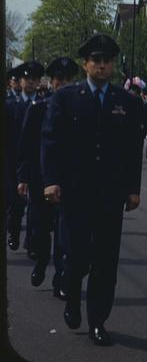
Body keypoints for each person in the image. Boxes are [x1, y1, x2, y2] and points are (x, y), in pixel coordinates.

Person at [41, 33, 142, 346]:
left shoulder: (126, 101)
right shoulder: (66, 97)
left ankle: (98, 321)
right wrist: (50, 180)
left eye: (107, 61)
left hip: (110, 194)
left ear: (113, 66)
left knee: (105, 261)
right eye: (96, 61)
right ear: (85, 64)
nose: (101, 66)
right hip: (74, 192)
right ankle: (72, 295)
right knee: (77, 257)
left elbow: (131, 149)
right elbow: (51, 141)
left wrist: (133, 189)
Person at [17, 57, 78, 298]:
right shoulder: (38, 108)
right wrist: (22, 177)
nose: (62, 84)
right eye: (58, 79)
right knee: (41, 232)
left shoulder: (79, 109)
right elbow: (25, 146)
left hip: (68, 182)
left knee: (65, 235)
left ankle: (60, 278)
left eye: (67, 79)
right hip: (40, 179)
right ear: (51, 82)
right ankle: (42, 262)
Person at [6, 61, 44, 253]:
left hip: (36, 162)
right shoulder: (10, 106)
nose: (30, 82)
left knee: (36, 207)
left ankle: (31, 241)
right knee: (16, 202)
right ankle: (13, 231)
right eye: (26, 79)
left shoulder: (44, 105)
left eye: (34, 79)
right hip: (13, 162)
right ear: (20, 82)